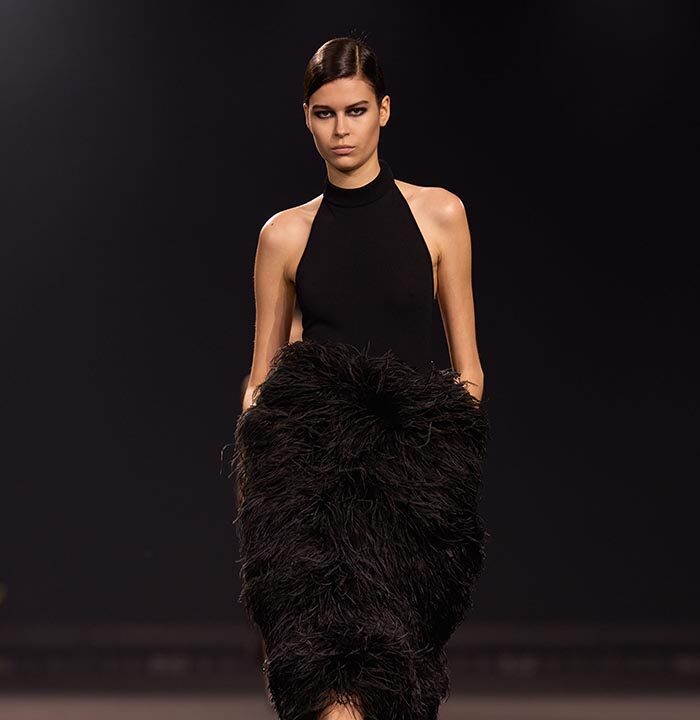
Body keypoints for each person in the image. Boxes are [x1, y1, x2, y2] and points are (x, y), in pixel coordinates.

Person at [231, 36, 490, 720]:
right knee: (328, 689)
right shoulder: (284, 235)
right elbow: (261, 383)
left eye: (355, 111)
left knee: (398, 686)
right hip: (313, 491)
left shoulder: (440, 215)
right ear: (307, 119)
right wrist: (265, 508)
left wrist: (438, 479)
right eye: (325, 113)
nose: (341, 130)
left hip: (410, 492)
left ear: (384, 111)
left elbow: (467, 371)